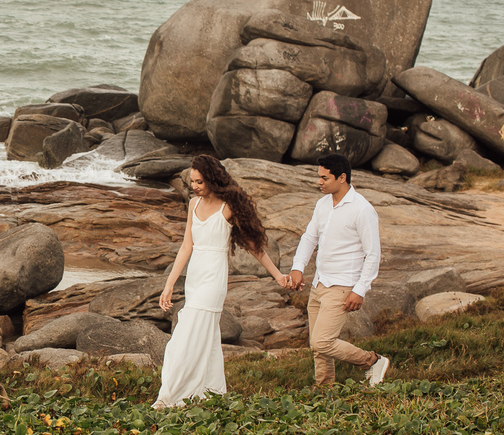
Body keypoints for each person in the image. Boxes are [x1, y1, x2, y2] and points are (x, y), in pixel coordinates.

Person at [153, 155, 288, 408]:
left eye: (200, 181)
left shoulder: (228, 207)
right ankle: (210, 390)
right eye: (192, 182)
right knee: (206, 336)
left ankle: (170, 395)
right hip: (195, 276)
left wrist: (278, 275)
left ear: (213, 179)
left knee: (184, 336)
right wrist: (169, 284)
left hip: (214, 278)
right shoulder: (193, 204)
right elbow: (186, 247)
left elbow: (254, 246)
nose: (195, 186)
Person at [288, 153, 390, 387]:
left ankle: (372, 361)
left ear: (342, 177)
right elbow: (308, 238)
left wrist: (360, 290)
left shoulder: (362, 209)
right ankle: (324, 389)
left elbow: (373, 253)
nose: (319, 182)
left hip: (343, 285)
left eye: (324, 178)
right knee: (318, 346)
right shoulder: (322, 204)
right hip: (319, 283)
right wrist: (297, 268)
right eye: (319, 177)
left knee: (322, 341)